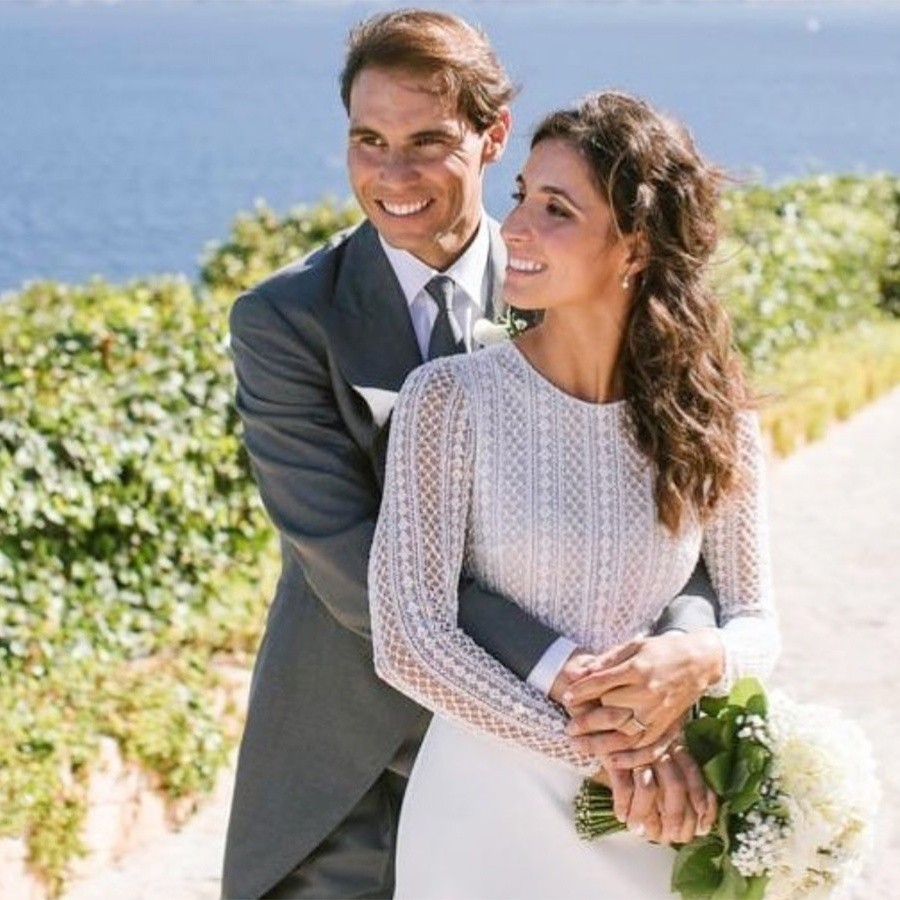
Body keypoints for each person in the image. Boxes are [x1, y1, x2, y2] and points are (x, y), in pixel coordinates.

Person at [223, 12, 719, 899]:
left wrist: (679, 660)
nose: (392, 176)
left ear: (492, 138)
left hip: (557, 775)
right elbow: (352, 563)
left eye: (427, 142)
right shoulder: (285, 321)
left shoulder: (575, 278)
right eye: (368, 141)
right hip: (355, 769)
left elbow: (681, 520)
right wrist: (575, 692)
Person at [368, 89, 780, 899]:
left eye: (556, 209)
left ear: (635, 245)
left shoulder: (715, 414)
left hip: (648, 820)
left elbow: (757, 621)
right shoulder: (449, 399)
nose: (514, 228)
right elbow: (409, 637)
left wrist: (703, 658)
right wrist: (617, 752)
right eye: (521, 195)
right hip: (490, 815)